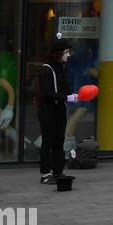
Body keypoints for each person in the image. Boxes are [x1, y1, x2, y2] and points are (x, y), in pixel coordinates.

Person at [37, 40, 79, 185]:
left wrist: (74, 95)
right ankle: (45, 174)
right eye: (66, 52)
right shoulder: (46, 69)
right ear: (58, 53)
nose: (68, 55)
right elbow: (47, 93)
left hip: (60, 109)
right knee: (47, 142)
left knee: (59, 141)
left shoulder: (62, 68)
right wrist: (67, 97)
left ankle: (58, 171)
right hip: (47, 110)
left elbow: (65, 89)